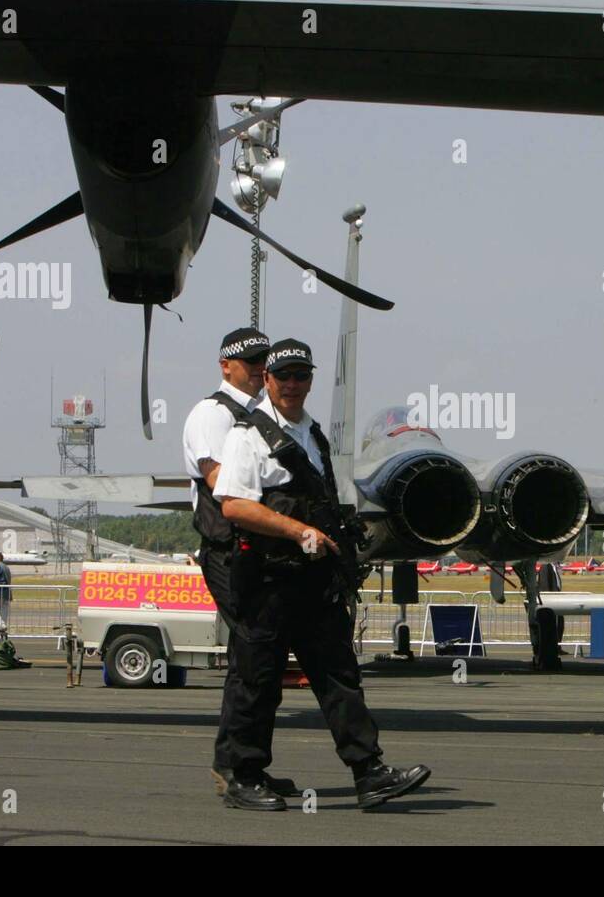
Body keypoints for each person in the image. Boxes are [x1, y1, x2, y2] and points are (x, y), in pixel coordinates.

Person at [213, 338, 429, 811]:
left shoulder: (313, 435)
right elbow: (233, 504)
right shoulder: (247, 435)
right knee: (257, 681)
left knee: (339, 675)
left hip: (314, 581)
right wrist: (297, 531)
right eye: (283, 375)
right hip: (267, 581)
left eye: (301, 375)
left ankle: (369, 772)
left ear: (310, 380)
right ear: (266, 380)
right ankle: (244, 776)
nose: (292, 384)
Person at [181, 328, 294, 799]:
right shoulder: (213, 414)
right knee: (253, 657)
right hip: (230, 550)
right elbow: (222, 482)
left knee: (260, 659)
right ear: (224, 364)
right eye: (248, 361)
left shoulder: (260, 417)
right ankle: (236, 768)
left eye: (261, 360)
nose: (256, 367)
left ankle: (243, 764)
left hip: (257, 550)